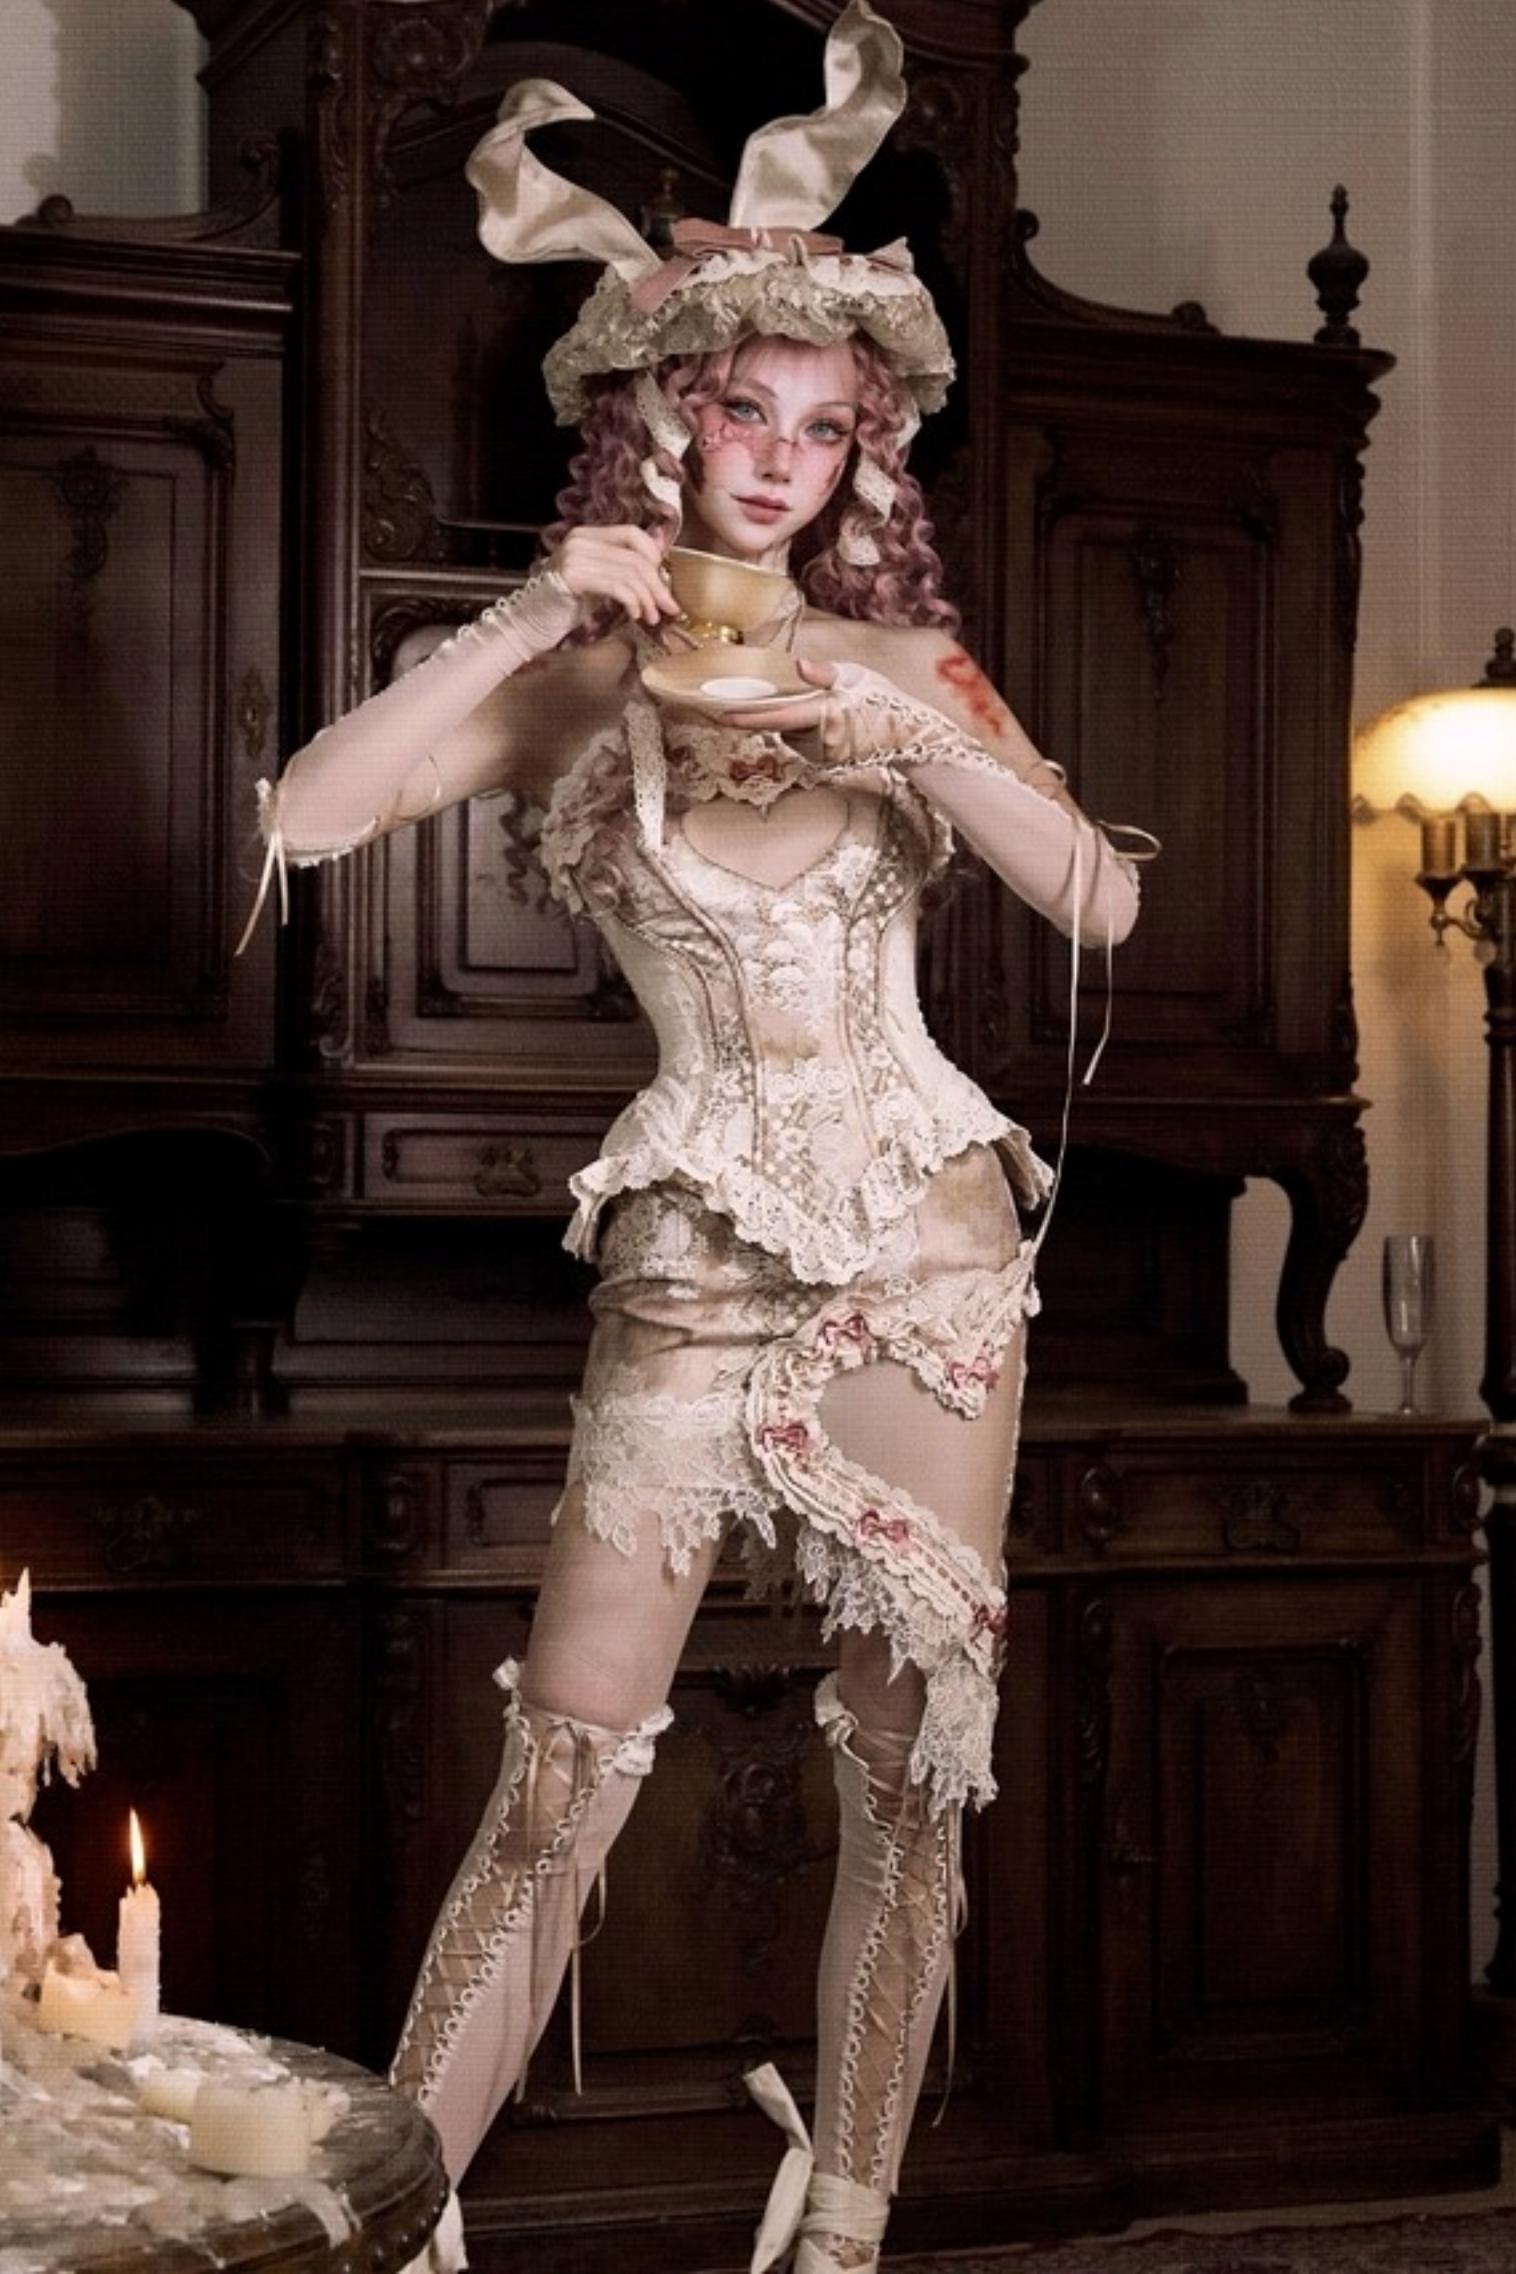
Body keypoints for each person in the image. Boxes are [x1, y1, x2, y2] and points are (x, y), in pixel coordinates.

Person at [235, 9, 1153, 2268]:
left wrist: (903, 733)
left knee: (907, 1783)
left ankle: (839, 2235)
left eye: (827, 431)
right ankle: (384, 2228)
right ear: (665, 415)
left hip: (932, 1258)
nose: (783, 464)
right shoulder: (577, 671)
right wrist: (539, 607)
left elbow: (1101, 902)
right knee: (564, 1767)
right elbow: (307, 817)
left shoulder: (906, 669)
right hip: (694, 1258)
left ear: (862, 454)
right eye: (746, 412)